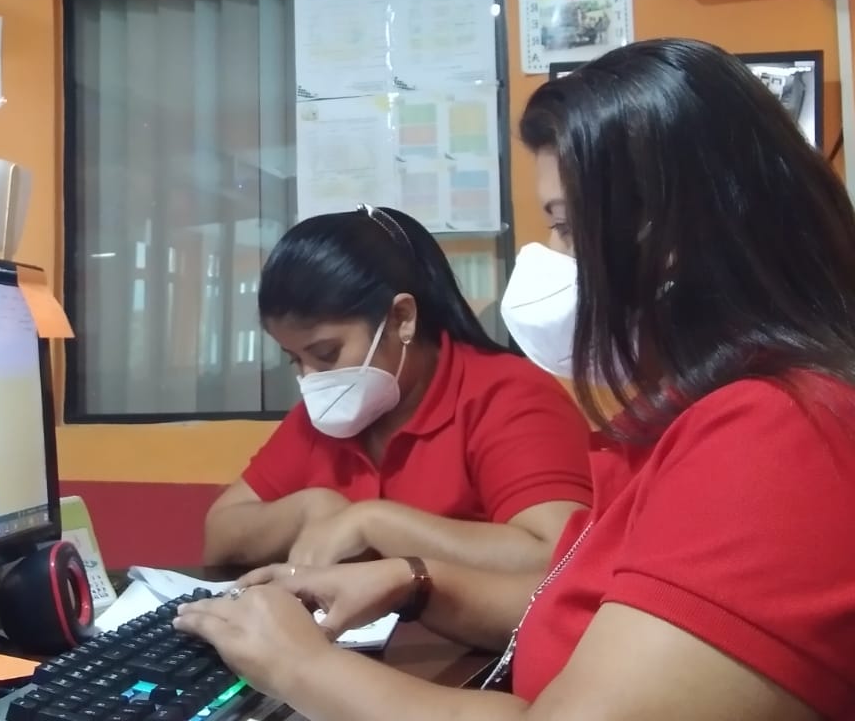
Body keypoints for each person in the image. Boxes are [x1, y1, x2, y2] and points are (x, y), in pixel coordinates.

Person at [176, 38, 855, 720]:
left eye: (566, 228)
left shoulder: (775, 436)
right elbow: (585, 601)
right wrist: (416, 584)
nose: (550, 258)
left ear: (679, 238)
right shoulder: (688, 420)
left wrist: (300, 664)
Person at [203, 205, 592, 572]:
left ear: (401, 318)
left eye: (326, 353)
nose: (311, 377)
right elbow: (219, 533)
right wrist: (308, 509)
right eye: (294, 359)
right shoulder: (327, 409)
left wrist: (373, 523)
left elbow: (557, 554)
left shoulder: (507, 396)